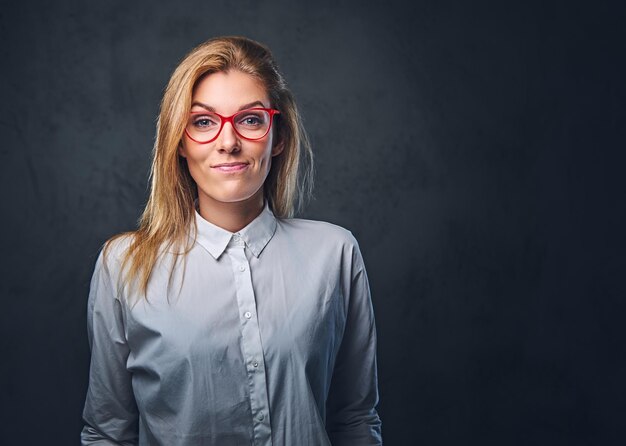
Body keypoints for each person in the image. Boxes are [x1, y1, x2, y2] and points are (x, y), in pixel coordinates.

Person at [81, 35, 382, 446]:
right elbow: (107, 432)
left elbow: (355, 421)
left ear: (277, 137)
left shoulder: (335, 254)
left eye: (251, 119)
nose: (228, 142)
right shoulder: (122, 265)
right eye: (203, 122)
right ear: (180, 142)